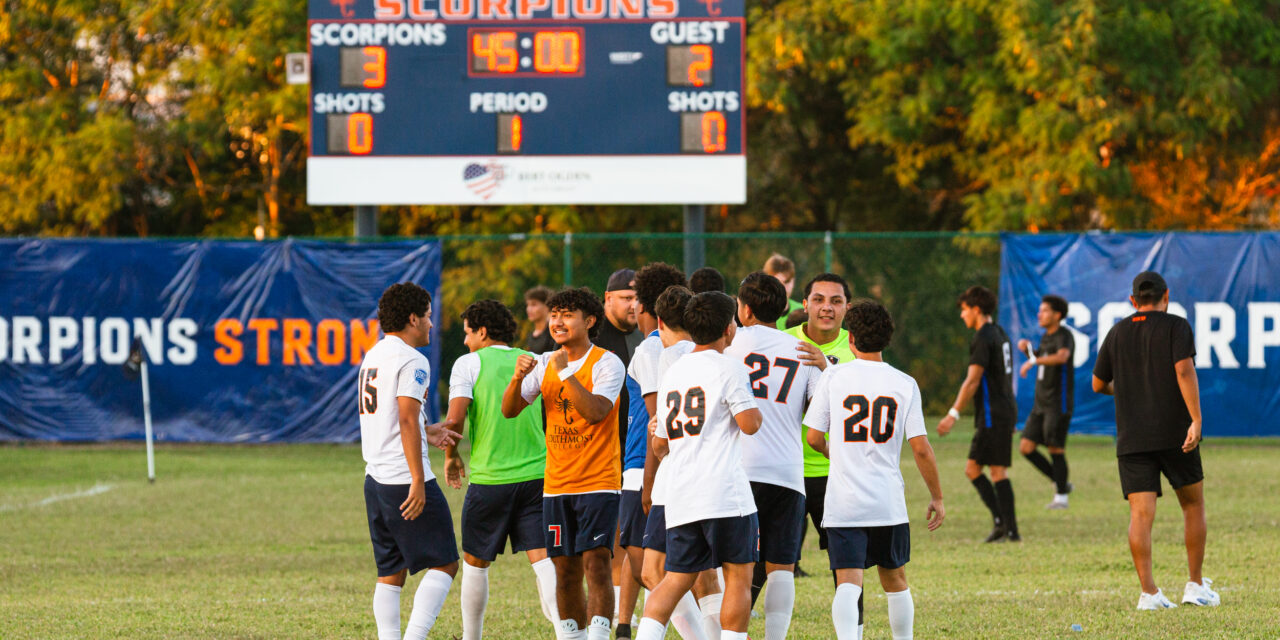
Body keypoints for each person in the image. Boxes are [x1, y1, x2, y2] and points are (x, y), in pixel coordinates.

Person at [804, 299, 945, 640]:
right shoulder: (904, 382)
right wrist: (937, 497)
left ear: (850, 338)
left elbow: (812, 437)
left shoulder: (835, 377)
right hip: (887, 501)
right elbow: (921, 448)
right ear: (887, 338)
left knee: (848, 583)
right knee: (895, 580)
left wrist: (833, 452)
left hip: (844, 503)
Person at [635, 291, 764, 640]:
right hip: (724, 492)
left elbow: (659, 442)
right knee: (739, 575)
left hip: (681, 493)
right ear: (728, 328)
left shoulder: (675, 370)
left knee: (676, 577)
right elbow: (750, 424)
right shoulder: (730, 366)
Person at [501, 288, 626, 640]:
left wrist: (566, 373)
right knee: (564, 570)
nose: (558, 321)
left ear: (589, 321)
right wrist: (516, 377)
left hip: (599, 482)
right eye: (554, 314)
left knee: (596, 563)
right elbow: (509, 410)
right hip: (557, 484)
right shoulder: (543, 363)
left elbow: (597, 411)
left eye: (567, 314)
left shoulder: (606, 362)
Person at [1092, 271, 1217, 610]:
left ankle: (1149, 593)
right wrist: (1196, 419)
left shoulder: (1116, 332)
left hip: (1132, 436)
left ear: (1133, 301)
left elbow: (1097, 383)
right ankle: (1194, 585)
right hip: (1174, 433)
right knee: (1192, 505)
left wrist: (1127, 389)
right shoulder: (1176, 326)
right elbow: (1183, 370)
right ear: (1167, 297)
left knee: (1141, 515)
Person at [438, 300, 559, 639]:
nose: (465, 341)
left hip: (491, 479)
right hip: (538, 475)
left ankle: (471, 637)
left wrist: (451, 456)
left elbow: (455, 419)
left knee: (476, 563)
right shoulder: (532, 360)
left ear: (482, 331)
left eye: (467, 334)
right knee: (544, 560)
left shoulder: (468, 363)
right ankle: (568, 634)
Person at [357, 283, 461, 640]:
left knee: (391, 571)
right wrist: (418, 479)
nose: (432, 324)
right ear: (413, 318)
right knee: (446, 561)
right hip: (404, 478)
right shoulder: (412, 359)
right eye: (429, 317)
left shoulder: (374, 355)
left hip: (376, 478)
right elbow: (403, 417)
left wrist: (427, 430)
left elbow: (396, 417)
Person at [724, 272, 822, 640]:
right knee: (781, 566)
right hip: (786, 471)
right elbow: (819, 410)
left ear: (744, 309)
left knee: (735, 566)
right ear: (783, 308)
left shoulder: (728, 347)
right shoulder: (800, 349)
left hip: (738, 469)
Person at [640, 285, 722, 640]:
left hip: (677, 479)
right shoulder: (715, 357)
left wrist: (650, 478)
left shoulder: (667, 356)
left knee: (654, 571)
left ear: (658, 321)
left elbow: (659, 430)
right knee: (704, 572)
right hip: (709, 477)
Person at [622, 263, 691, 639]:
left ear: (647, 306)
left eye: (635, 299)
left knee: (651, 570)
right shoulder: (697, 347)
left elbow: (656, 422)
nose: (631, 308)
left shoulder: (652, 351)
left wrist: (649, 483)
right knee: (692, 573)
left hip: (649, 470)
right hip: (688, 470)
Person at [937, 286, 1020, 543]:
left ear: (975, 309)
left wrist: (953, 413)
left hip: (994, 412)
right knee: (991, 470)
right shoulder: (1000, 332)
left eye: (964, 310)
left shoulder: (983, 336)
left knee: (978, 469)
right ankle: (1006, 528)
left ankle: (1006, 527)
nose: (962, 316)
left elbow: (973, 380)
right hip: (1003, 409)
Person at [785, 273, 855, 574]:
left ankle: (855, 623)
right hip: (783, 469)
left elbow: (854, 411)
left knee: (846, 562)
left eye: (836, 301)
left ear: (847, 308)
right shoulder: (783, 342)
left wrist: (826, 368)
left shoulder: (857, 349)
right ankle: (739, 621)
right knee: (770, 561)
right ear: (805, 304)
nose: (827, 307)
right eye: (819, 300)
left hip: (833, 469)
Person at [592, 268, 643, 631]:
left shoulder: (646, 336)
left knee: (629, 534)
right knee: (609, 536)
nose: (632, 305)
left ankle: (622, 605)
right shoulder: (595, 336)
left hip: (636, 448)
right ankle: (609, 606)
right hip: (599, 449)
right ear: (607, 298)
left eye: (637, 299)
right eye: (626, 298)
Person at [1017, 294, 1076, 509]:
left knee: (1055, 448)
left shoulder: (1064, 335)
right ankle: (1062, 482)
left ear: (1057, 314)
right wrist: (1028, 350)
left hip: (1057, 403)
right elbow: (1041, 358)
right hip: (1040, 403)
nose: (1039, 314)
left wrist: (1032, 360)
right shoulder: (1045, 337)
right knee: (1026, 447)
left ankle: (1061, 498)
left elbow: (1061, 357)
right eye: (1040, 310)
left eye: (1044, 311)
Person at [763, 254, 805, 329]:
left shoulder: (804, 312)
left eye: (787, 282)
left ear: (794, 280)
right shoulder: (758, 316)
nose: (783, 288)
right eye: (777, 283)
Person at [526, 285, 556, 354]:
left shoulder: (553, 333)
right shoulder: (530, 335)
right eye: (528, 305)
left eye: (534, 305)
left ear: (547, 306)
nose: (529, 309)